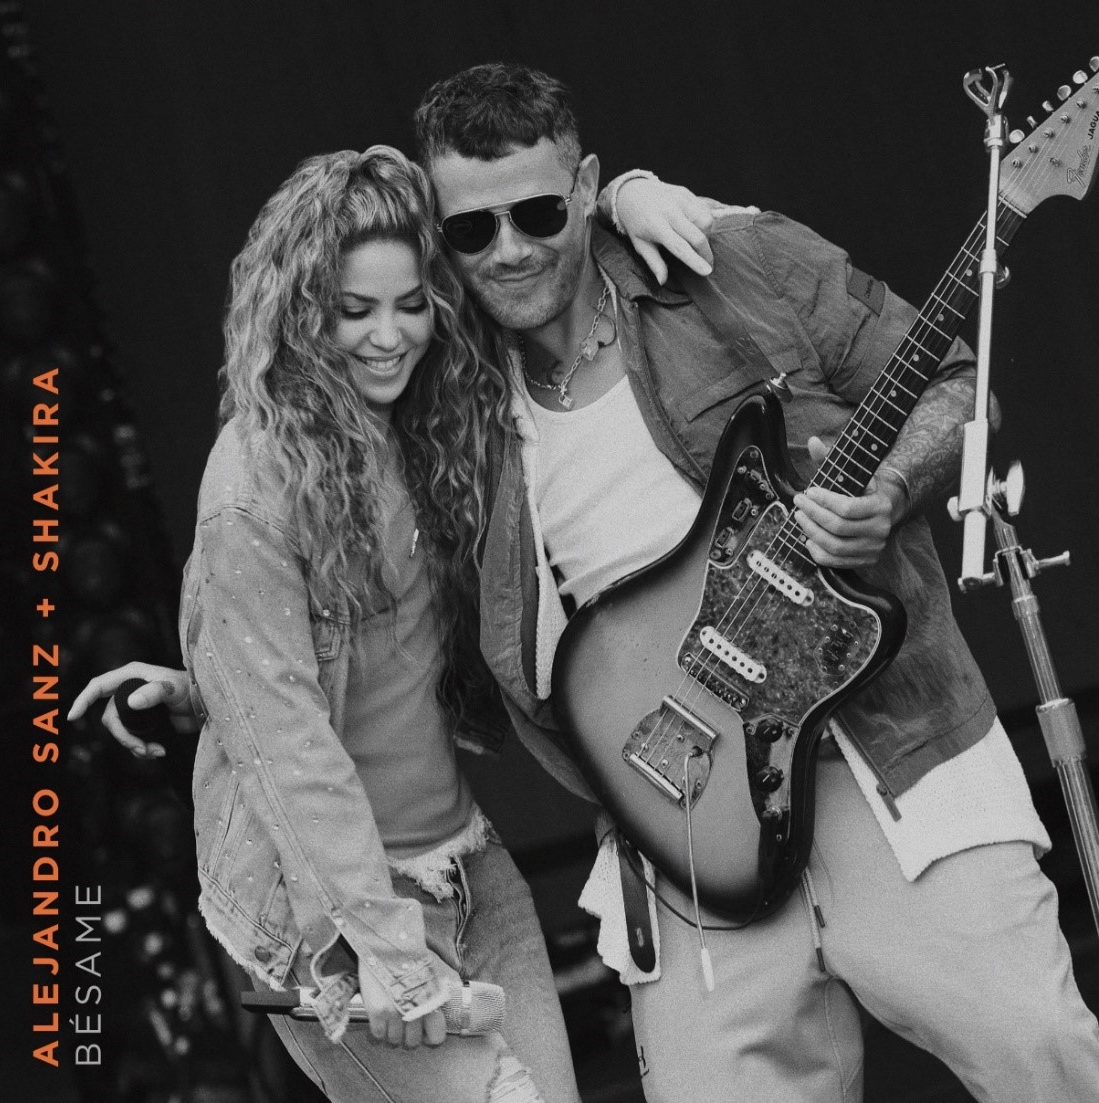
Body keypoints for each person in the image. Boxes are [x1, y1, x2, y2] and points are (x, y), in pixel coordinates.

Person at [407, 63, 1099, 1103]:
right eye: (471, 229)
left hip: (879, 757)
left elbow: (956, 383)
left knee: (1042, 1052)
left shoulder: (726, 260)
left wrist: (890, 490)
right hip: (679, 820)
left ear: (584, 185)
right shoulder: (446, 404)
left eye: (538, 213)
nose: (507, 250)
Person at [68, 143, 729, 1102]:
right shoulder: (253, 487)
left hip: (473, 872)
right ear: (301, 312)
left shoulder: (424, 427)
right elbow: (288, 744)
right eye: (354, 310)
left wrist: (626, 197)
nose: (390, 335)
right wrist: (381, 947)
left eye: (410, 303)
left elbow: (531, 265)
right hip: (339, 918)